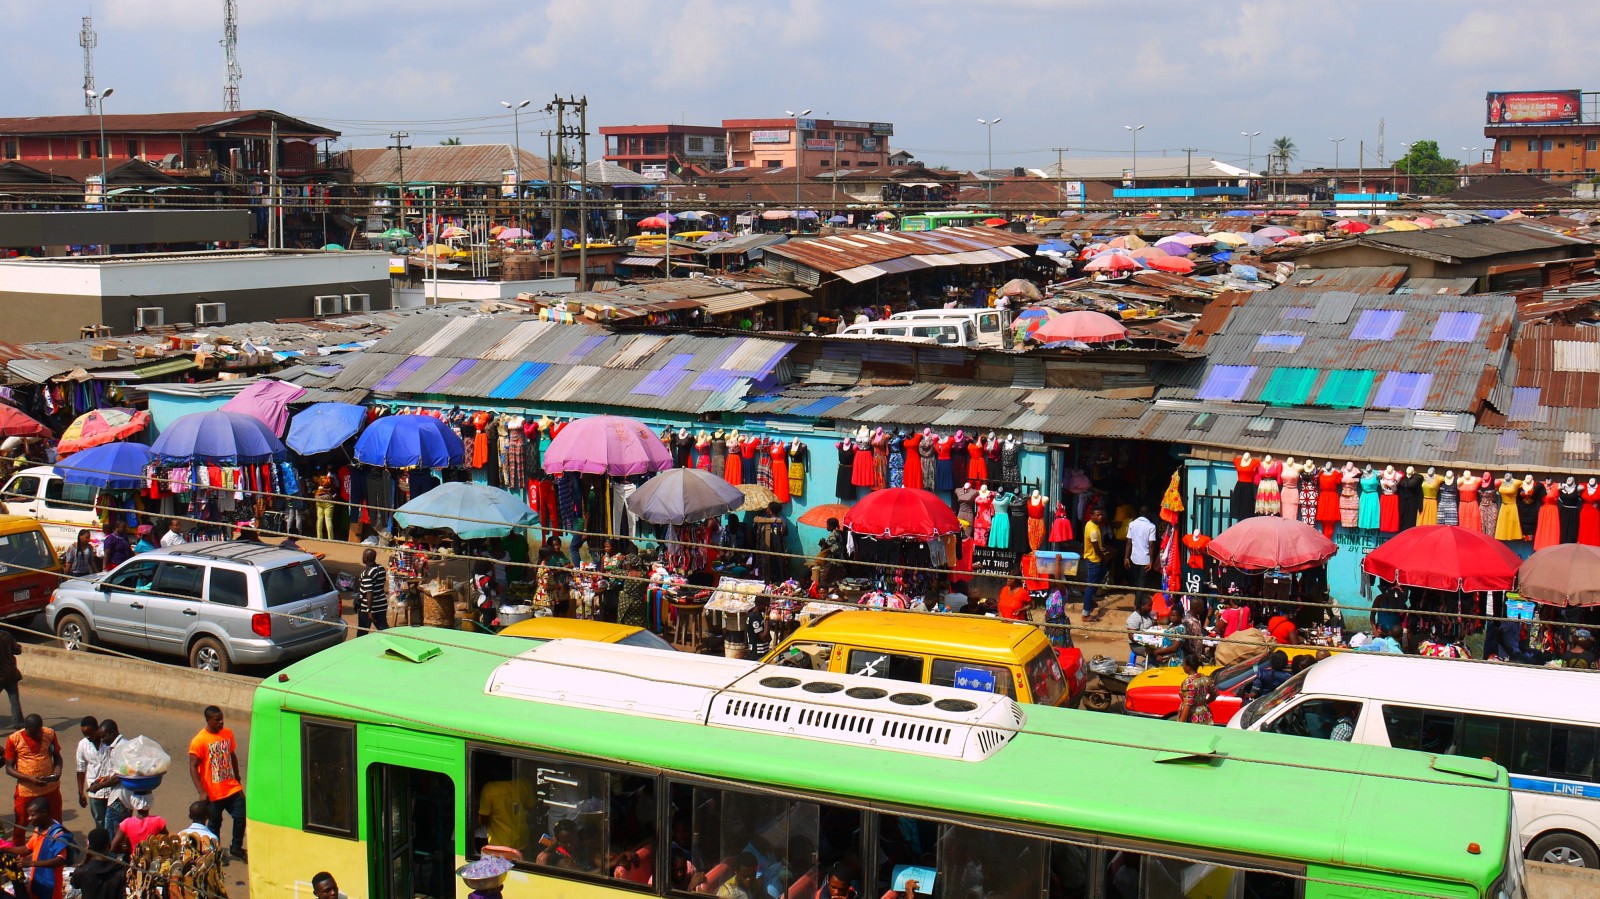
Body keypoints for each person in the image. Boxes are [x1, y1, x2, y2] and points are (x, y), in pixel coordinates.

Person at [189, 705, 245, 861]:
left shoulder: (227, 734)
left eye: (222, 719)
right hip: (212, 793)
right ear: (208, 720)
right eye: (217, 720)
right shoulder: (199, 740)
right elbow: (193, 766)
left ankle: (236, 847)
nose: (221, 722)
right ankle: (216, 853)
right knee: (214, 823)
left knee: (240, 816)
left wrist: (238, 779)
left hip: (231, 788)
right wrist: (201, 791)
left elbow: (232, 755)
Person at [5, 715, 61, 844]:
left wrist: (57, 771)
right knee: (21, 821)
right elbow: (9, 768)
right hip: (26, 790)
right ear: (26, 728)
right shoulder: (14, 739)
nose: (38, 735)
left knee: (55, 819)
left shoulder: (49, 734)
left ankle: (56, 846)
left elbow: (57, 757)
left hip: (50, 787)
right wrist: (30, 778)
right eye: (34, 732)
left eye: (39, 731)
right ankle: (18, 853)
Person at [4, 796, 72, 899]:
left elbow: (60, 860)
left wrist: (30, 863)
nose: (29, 819)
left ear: (44, 813)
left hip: (50, 887)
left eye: (32, 815)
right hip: (36, 881)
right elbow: (27, 849)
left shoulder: (58, 835)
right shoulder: (39, 829)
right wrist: (3, 848)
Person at [80, 719, 126, 837]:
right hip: (103, 794)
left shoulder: (119, 748)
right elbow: (80, 768)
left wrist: (99, 786)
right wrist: (105, 779)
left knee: (115, 828)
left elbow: (119, 776)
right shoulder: (113, 746)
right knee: (102, 824)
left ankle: (112, 852)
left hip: (118, 795)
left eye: (103, 737)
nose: (102, 740)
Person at [70, 828, 126, 899]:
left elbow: (74, 884)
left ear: (89, 848)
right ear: (109, 845)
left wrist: (84, 861)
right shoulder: (122, 871)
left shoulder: (81, 871)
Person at [1122, 506, 1158, 594]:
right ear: (1149, 514)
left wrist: (1126, 557)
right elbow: (1151, 544)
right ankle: (1137, 606)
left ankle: (1137, 602)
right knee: (1142, 582)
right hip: (1145, 559)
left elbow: (1129, 542)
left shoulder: (1132, 524)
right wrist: (1151, 561)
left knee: (1136, 580)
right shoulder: (1151, 526)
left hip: (1134, 557)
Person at [1080, 509, 1108, 622]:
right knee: (1091, 586)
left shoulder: (1091, 524)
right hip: (1094, 560)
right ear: (1092, 516)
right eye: (1098, 515)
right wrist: (1104, 556)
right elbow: (1096, 548)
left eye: (1101, 514)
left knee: (1100, 577)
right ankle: (1085, 614)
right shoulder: (1092, 529)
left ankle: (1090, 601)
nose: (1100, 517)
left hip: (1095, 559)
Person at [1175, 653, 1216, 725]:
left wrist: (1180, 724)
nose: (1183, 667)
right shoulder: (1205, 678)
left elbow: (1188, 704)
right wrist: (1204, 702)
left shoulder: (1189, 682)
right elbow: (1215, 694)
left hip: (1193, 717)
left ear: (1189, 667)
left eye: (1184, 664)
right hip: (1205, 714)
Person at [356, 548, 389, 632]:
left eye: (363, 556)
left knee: (362, 633)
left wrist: (369, 611)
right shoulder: (381, 569)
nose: (362, 557)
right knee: (383, 630)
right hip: (381, 604)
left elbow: (369, 592)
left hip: (369, 608)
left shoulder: (367, 573)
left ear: (366, 558)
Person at [0, 627, 21, 729]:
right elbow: (17, 650)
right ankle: (18, 723)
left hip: (1, 676)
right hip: (11, 673)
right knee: (14, 700)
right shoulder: (7, 635)